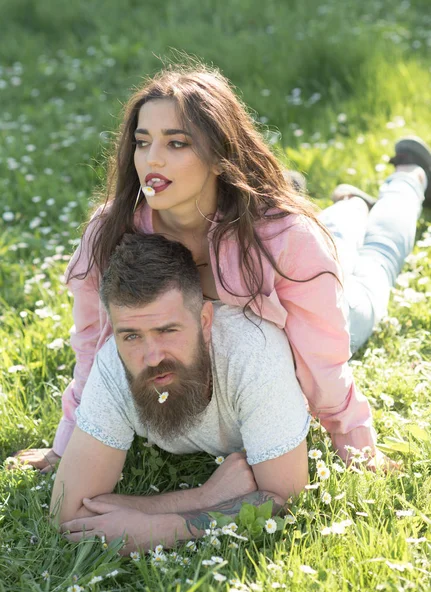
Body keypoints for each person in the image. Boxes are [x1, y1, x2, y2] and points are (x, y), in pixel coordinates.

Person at [15, 64, 431, 472]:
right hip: (291, 255)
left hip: (306, 306)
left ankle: (406, 181)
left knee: (375, 264)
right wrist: (66, 444)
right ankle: (348, 207)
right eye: (143, 143)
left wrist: (353, 443)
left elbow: (323, 358)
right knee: (329, 234)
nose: (152, 160)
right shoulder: (110, 233)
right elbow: (95, 343)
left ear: (218, 158)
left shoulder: (285, 238)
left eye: (176, 144)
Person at [51, 233, 310, 553]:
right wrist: (202, 498)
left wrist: (165, 529)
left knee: (370, 272)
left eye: (167, 331)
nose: (153, 356)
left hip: (305, 319)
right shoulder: (114, 368)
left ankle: (361, 205)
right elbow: (69, 512)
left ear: (204, 320)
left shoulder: (254, 354)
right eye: (132, 336)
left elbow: (285, 497)